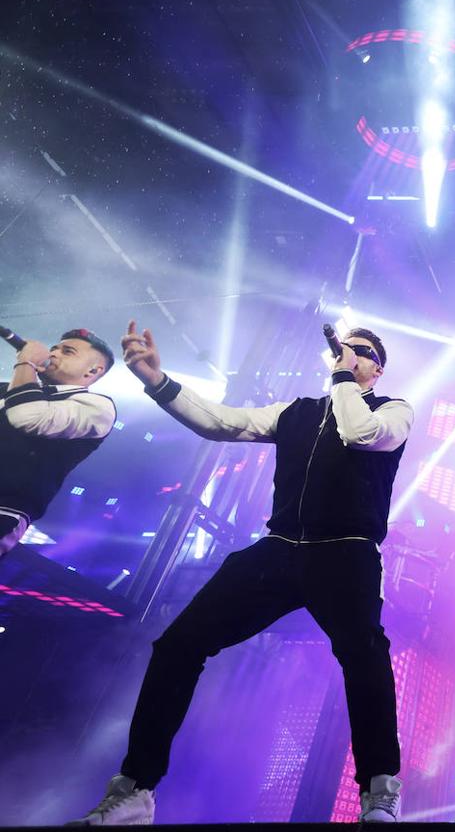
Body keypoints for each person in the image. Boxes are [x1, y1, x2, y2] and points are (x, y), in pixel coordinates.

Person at [70, 321, 415, 825]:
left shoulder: (393, 411)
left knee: (364, 654)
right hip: (278, 548)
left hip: (345, 551)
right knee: (179, 645)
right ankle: (135, 791)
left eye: (359, 351)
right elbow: (221, 422)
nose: (347, 355)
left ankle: (380, 790)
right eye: (342, 350)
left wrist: (344, 382)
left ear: (376, 368)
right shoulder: (296, 412)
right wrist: (155, 379)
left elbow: (358, 432)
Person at [1, 329, 116, 555]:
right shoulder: (8, 388)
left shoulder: (96, 407)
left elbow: (29, 417)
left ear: (93, 370)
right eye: (54, 348)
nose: (53, 353)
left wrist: (26, 363)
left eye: (67, 351)